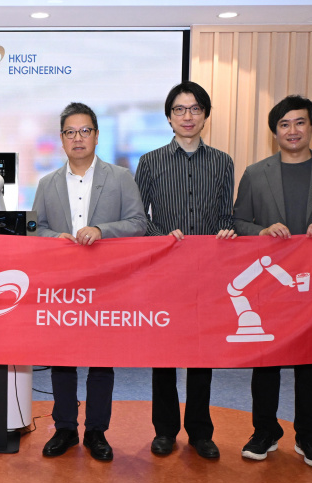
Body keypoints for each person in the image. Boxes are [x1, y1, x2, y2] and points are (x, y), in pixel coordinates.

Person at [233, 94, 312, 468]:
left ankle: (309, 437)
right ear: (275, 132)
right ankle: (265, 431)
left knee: (310, 363)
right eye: (284, 124)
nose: (292, 130)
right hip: (271, 286)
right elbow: (239, 224)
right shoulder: (256, 173)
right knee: (266, 362)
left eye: (300, 123)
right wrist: (263, 230)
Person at [33, 102, 147, 461]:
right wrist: (56, 239)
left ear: (96, 136)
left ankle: (97, 431)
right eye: (70, 132)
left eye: (85, 131)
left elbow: (138, 224)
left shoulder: (120, 177)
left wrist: (101, 230)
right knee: (61, 357)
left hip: (106, 284)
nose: (77, 138)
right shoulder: (47, 183)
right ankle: (65, 428)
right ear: (62, 139)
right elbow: (35, 229)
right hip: (63, 285)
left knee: (101, 361)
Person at [134, 81, 236, 459]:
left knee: (201, 353)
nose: (188, 116)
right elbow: (136, 218)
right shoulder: (150, 161)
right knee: (163, 355)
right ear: (169, 117)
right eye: (180, 109)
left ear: (205, 115)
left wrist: (228, 230)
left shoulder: (223, 162)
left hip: (208, 272)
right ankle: (164, 431)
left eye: (195, 109)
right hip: (164, 271)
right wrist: (163, 237)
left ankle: (200, 431)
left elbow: (228, 214)